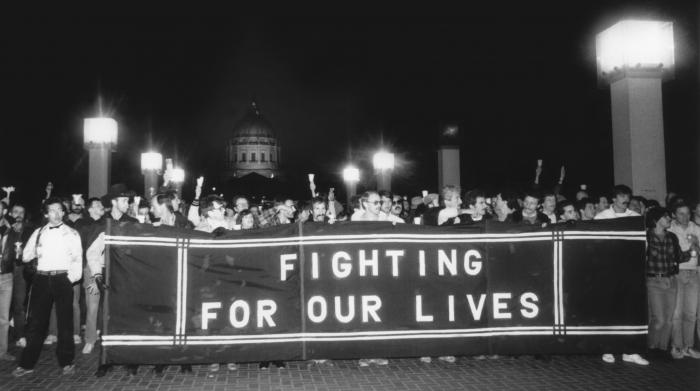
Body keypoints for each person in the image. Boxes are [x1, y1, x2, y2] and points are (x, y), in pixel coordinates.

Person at [13, 197, 83, 377]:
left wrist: (70, 279)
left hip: (62, 279)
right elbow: (26, 256)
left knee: (65, 323)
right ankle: (27, 363)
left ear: (63, 212)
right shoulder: (38, 232)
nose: (57, 213)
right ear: (46, 214)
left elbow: (77, 259)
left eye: (60, 210)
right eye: (52, 210)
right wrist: (27, 253)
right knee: (36, 324)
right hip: (42, 280)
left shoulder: (72, 233)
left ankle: (67, 362)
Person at [594, 185, 646, 365]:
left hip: (630, 273)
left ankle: (629, 351)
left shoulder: (636, 218)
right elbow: (596, 245)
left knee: (630, 311)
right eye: (622, 196)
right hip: (608, 273)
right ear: (614, 199)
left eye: (627, 196)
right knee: (609, 311)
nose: (626, 199)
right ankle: (607, 349)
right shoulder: (601, 217)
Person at [645, 207, 696, 360]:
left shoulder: (671, 237)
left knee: (668, 319)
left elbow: (679, 256)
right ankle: (651, 347)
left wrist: (693, 248)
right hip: (654, 280)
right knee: (659, 319)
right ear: (656, 220)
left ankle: (661, 349)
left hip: (671, 280)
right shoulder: (646, 236)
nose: (669, 219)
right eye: (666, 217)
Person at [666, 202, 700, 359]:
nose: (685, 217)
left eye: (687, 213)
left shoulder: (697, 228)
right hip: (677, 273)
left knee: (691, 313)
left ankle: (688, 346)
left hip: (694, 273)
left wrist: (696, 244)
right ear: (674, 214)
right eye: (681, 213)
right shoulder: (670, 229)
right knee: (677, 313)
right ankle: (676, 346)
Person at [73, 198, 105, 355]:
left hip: (108, 268)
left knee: (104, 305)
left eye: (101, 205)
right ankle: (90, 339)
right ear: (89, 209)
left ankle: (100, 331)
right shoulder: (82, 224)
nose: (101, 207)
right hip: (90, 269)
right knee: (92, 304)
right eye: (97, 205)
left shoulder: (108, 222)